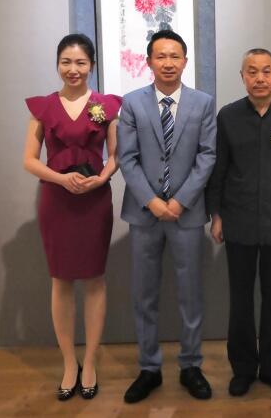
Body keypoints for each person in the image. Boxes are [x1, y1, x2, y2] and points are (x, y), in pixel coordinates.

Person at [207, 48, 271, 397]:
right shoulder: (228, 116)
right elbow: (218, 169)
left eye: (266, 71)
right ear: (243, 77)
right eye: (252, 72)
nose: (259, 78)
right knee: (240, 298)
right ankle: (242, 368)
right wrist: (216, 215)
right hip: (237, 220)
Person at [119, 30, 216, 403]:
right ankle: (149, 368)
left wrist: (180, 201)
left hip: (186, 215)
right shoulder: (132, 104)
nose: (168, 63)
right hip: (144, 215)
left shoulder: (202, 103)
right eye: (160, 56)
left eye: (175, 56)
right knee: (144, 295)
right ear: (149, 61)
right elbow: (127, 158)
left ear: (185, 61)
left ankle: (191, 365)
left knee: (191, 294)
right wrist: (152, 201)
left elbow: (207, 155)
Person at [23, 33, 121, 401]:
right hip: (56, 201)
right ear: (57, 65)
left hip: (95, 202)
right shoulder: (44, 107)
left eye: (80, 62)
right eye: (66, 62)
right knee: (61, 281)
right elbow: (29, 159)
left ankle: (90, 362)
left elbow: (117, 154)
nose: (73, 69)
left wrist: (102, 178)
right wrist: (61, 178)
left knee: (95, 280)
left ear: (92, 65)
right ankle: (69, 362)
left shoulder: (106, 106)